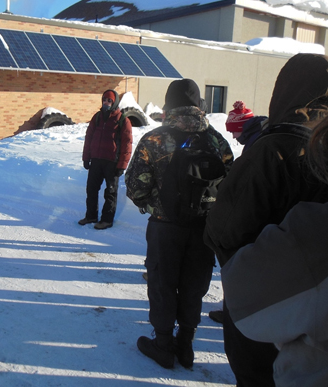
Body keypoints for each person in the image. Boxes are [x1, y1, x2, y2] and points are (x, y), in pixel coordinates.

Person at [204, 53, 328, 386]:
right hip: (314, 312)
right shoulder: (322, 147)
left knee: (256, 375)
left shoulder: (272, 150)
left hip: (263, 300)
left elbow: (223, 229)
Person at [125, 79, 233, 369]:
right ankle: (185, 346)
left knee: (162, 283)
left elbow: (135, 186)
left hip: (165, 227)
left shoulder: (155, 139)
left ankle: (162, 344)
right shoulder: (217, 141)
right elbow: (230, 185)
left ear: (168, 104)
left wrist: (152, 205)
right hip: (202, 230)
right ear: (199, 105)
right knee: (193, 286)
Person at [79, 89, 132, 230]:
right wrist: (86, 157)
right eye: (105, 100)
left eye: (109, 100)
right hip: (96, 160)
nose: (106, 103)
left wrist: (122, 165)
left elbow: (127, 144)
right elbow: (88, 138)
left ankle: (107, 220)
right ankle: (91, 216)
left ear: (115, 102)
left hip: (112, 162)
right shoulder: (97, 117)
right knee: (91, 189)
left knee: (110, 192)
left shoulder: (122, 120)